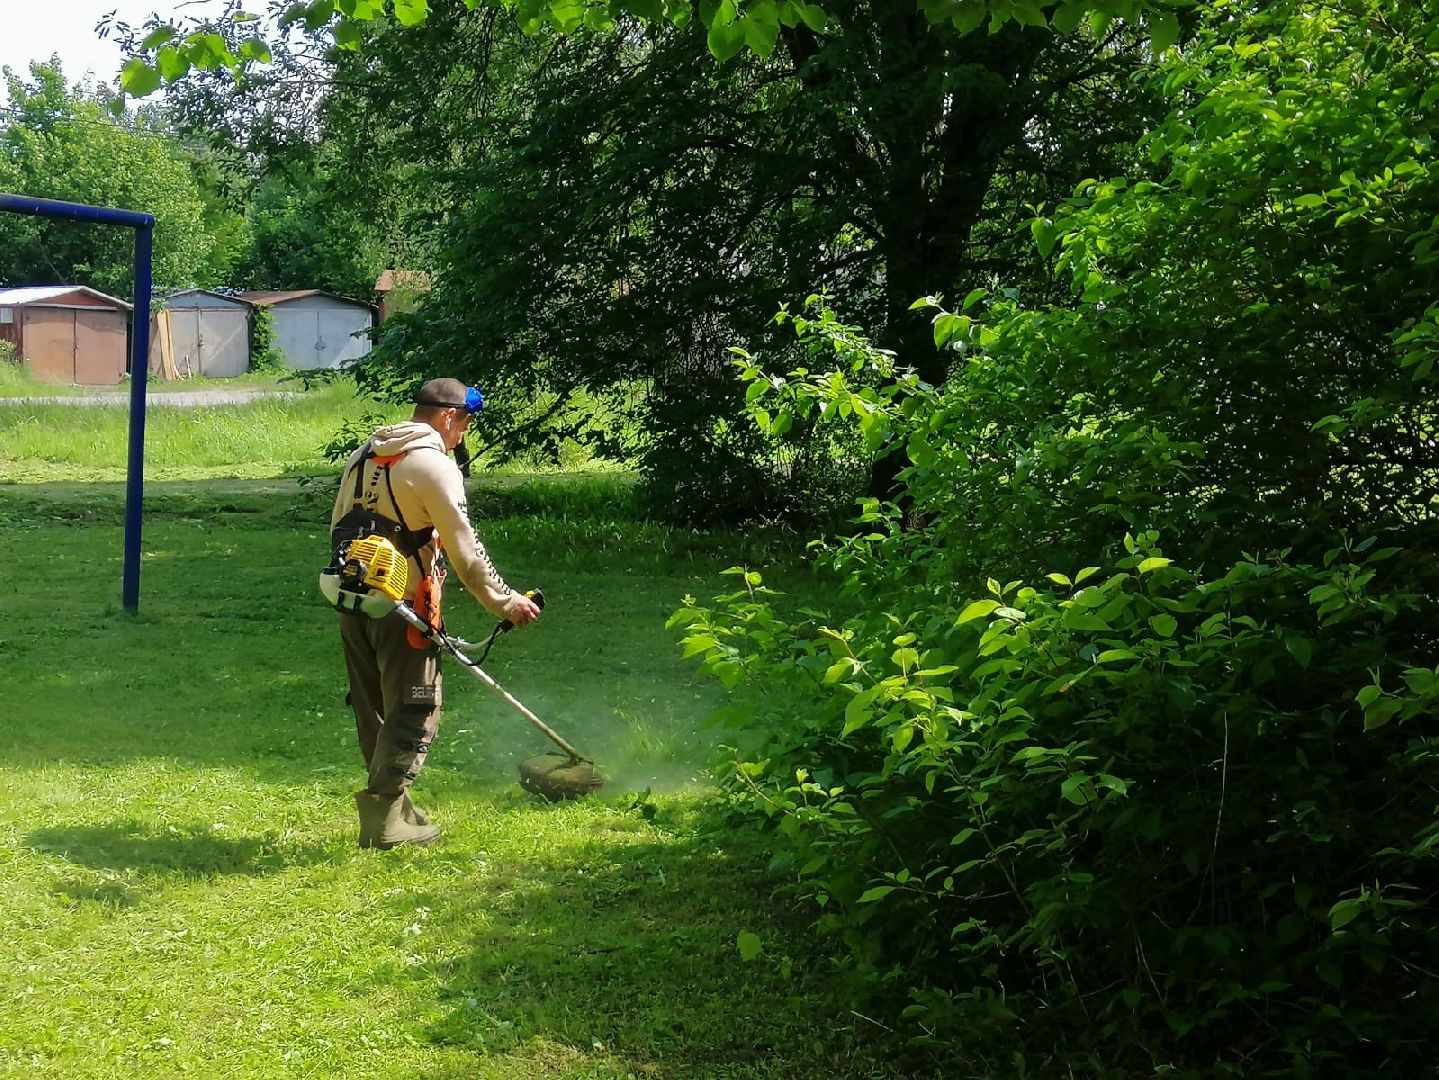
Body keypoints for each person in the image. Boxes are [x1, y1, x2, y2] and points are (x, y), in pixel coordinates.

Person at [331, 377, 541, 849]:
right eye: (465, 422)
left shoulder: (365, 454)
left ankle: (396, 807)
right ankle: (384, 825)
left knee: (374, 709)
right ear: (448, 416)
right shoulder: (433, 466)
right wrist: (505, 601)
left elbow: (339, 526)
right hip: (404, 603)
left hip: (354, 599)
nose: (464, 434)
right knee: (414, 707)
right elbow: (467, 551)